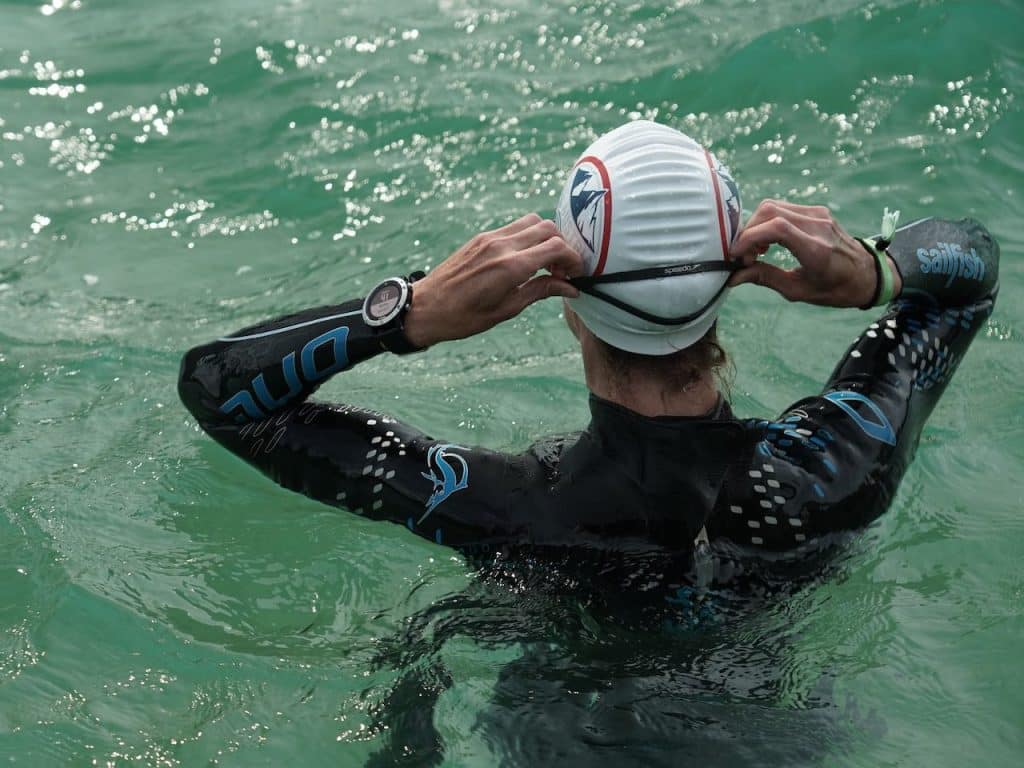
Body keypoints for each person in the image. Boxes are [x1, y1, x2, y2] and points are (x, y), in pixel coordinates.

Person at [177, 120, 999, 591]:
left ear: (567, 292)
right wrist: (875, 271)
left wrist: (406, 316)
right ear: (730, 284)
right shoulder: (835, 470)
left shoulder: (501, 510)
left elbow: (220, 390)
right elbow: (969, 273)